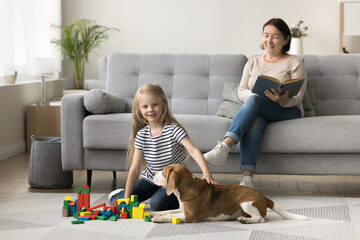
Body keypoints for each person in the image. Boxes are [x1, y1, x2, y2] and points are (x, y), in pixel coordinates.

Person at [204, 18, 307, 189]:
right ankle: (247, 179)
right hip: (260, 107)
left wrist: (284, 100)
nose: (269, 40)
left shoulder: (294, 62)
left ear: (286, 39)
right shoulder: (253, 62)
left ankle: (225, 146)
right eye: (266, 35)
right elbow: (242, 90)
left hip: (288, 110)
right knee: (256, 119)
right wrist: (257, 97)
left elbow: (299, 97)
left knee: (255, 101)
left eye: (275, 36)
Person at [108, 83, 217, 210]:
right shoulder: (141, 135)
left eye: (155, 104)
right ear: (139, 109)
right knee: (117, 201)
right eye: (145, 106)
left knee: (157, 204)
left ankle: (181, 197)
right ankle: (122, 192)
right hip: (151, 179)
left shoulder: (173, 130)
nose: (150, 109)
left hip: (173, 181)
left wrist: (207, 173)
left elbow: (193, 150)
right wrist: (126, 197)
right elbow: (135, 168)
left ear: (163, 102)